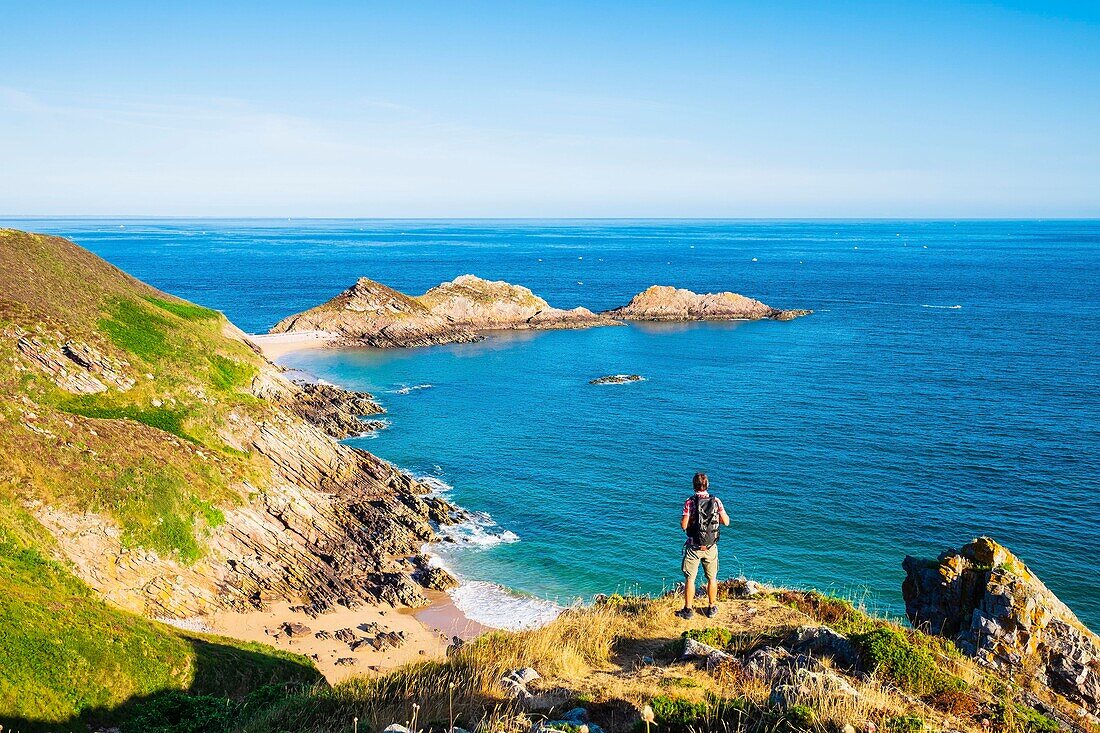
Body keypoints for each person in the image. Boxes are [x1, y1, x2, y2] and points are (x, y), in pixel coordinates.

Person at [678, 472, 730, 619]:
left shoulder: (689, 502)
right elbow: (726, 522)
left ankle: (688, 610)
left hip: (694, 547)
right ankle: (712, 607)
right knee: (712, 578)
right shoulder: (716, 501)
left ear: (694, 486)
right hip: (710, 547)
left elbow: (683, 525)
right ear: (707, 485)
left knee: (690, 579)